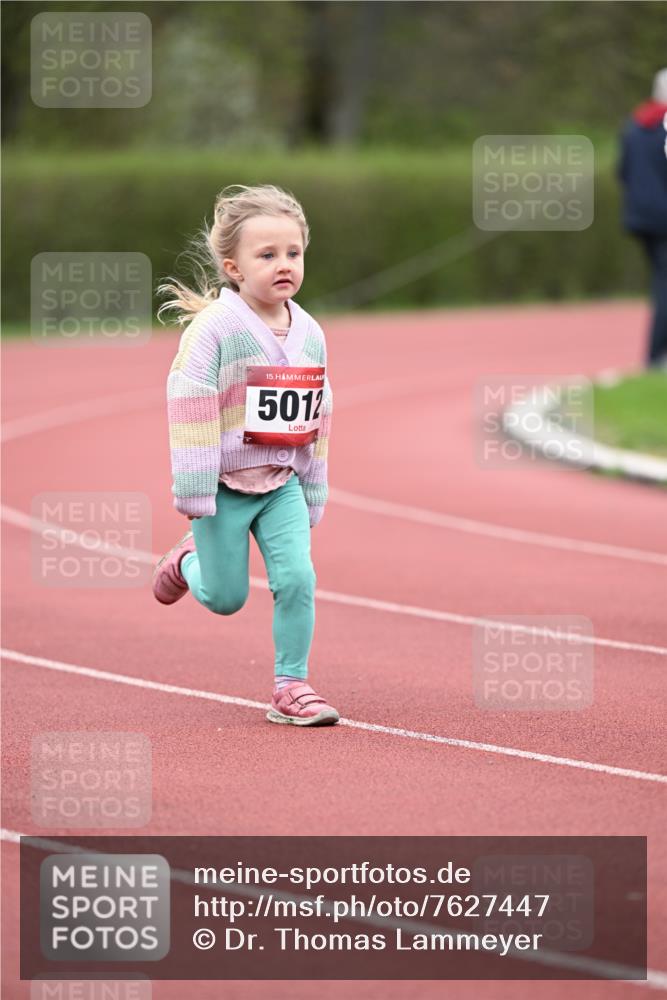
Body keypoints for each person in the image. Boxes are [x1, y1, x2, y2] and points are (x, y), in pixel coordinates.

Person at [152, 184, 339, 727]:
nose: (284, 265)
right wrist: (192, 487)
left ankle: (291, 686)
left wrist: (313, 484)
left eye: (293, 253)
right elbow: (188, 402)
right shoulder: (215, 329)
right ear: (234, 267)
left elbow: (319, 410)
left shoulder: (310, 332)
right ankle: (188, 560)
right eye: (267, 255)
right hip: (222, 487)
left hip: (279, 482)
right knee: (226, 597)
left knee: (298, 579)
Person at [618, 68, 667, 368]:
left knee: (661, 282)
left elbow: (623, 172)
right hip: (664, 220)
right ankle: (655, 357)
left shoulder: (633, 127)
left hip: (641, 219)